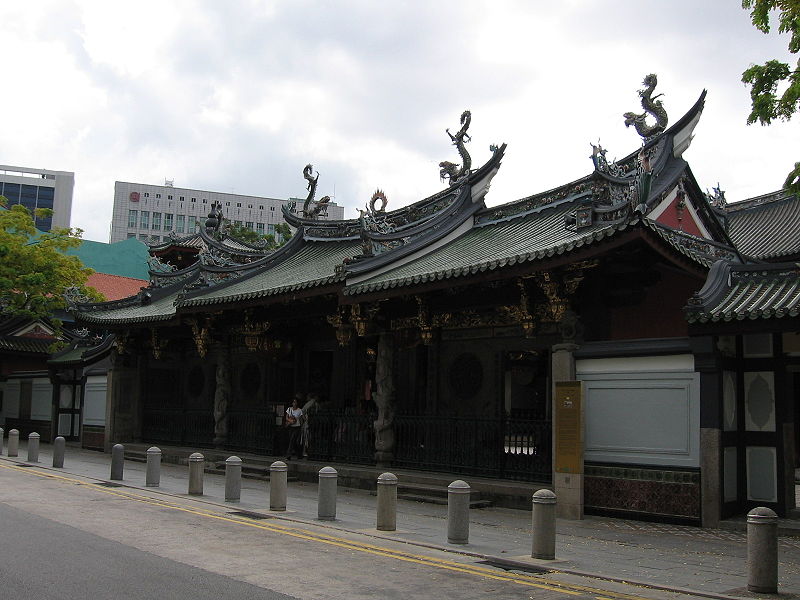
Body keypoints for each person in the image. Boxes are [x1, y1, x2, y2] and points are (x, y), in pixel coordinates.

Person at [285, 395, 304, 460]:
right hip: (291, 426)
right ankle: (299, 454)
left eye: (295, 402)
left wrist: (301, 427)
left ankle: (288, 455)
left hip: (297, 427)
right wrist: (290, 421)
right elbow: (286, 417)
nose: (294, 403)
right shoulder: (289, 409)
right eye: (293, 402)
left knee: (292, 440)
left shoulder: (299, 410)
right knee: (293, 441)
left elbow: (301, 420)